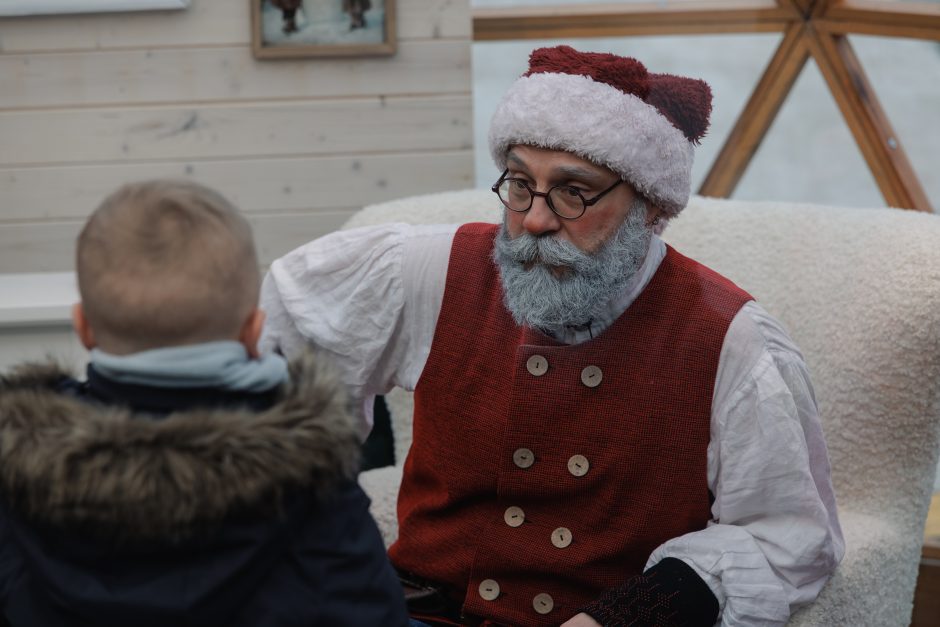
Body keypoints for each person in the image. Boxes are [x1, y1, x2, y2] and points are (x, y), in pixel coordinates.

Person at [260, 46, 844, 626]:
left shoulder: (733, 341)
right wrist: (323, 543)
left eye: (573, 191)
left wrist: (628, 617)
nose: (534, 219)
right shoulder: (428, 271)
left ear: (648, 207)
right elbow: (285, 337)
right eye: (519, 183)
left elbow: (783, 536)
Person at [0, 180, 408, 626]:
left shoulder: (18, 462)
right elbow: (371, 609)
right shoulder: (310, 470)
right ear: (254, 332)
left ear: (84, 327)